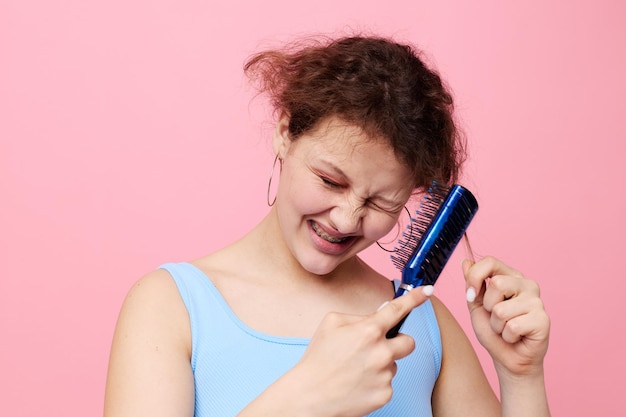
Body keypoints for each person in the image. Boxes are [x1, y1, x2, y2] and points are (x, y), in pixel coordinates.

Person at [104, 35, 551, 417]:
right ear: (285, 131)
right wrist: (303, 400)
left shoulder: (427, 325)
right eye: (330, 181)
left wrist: (521, 376)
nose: (345, 219)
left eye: (380, 202)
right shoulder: (171, 307)